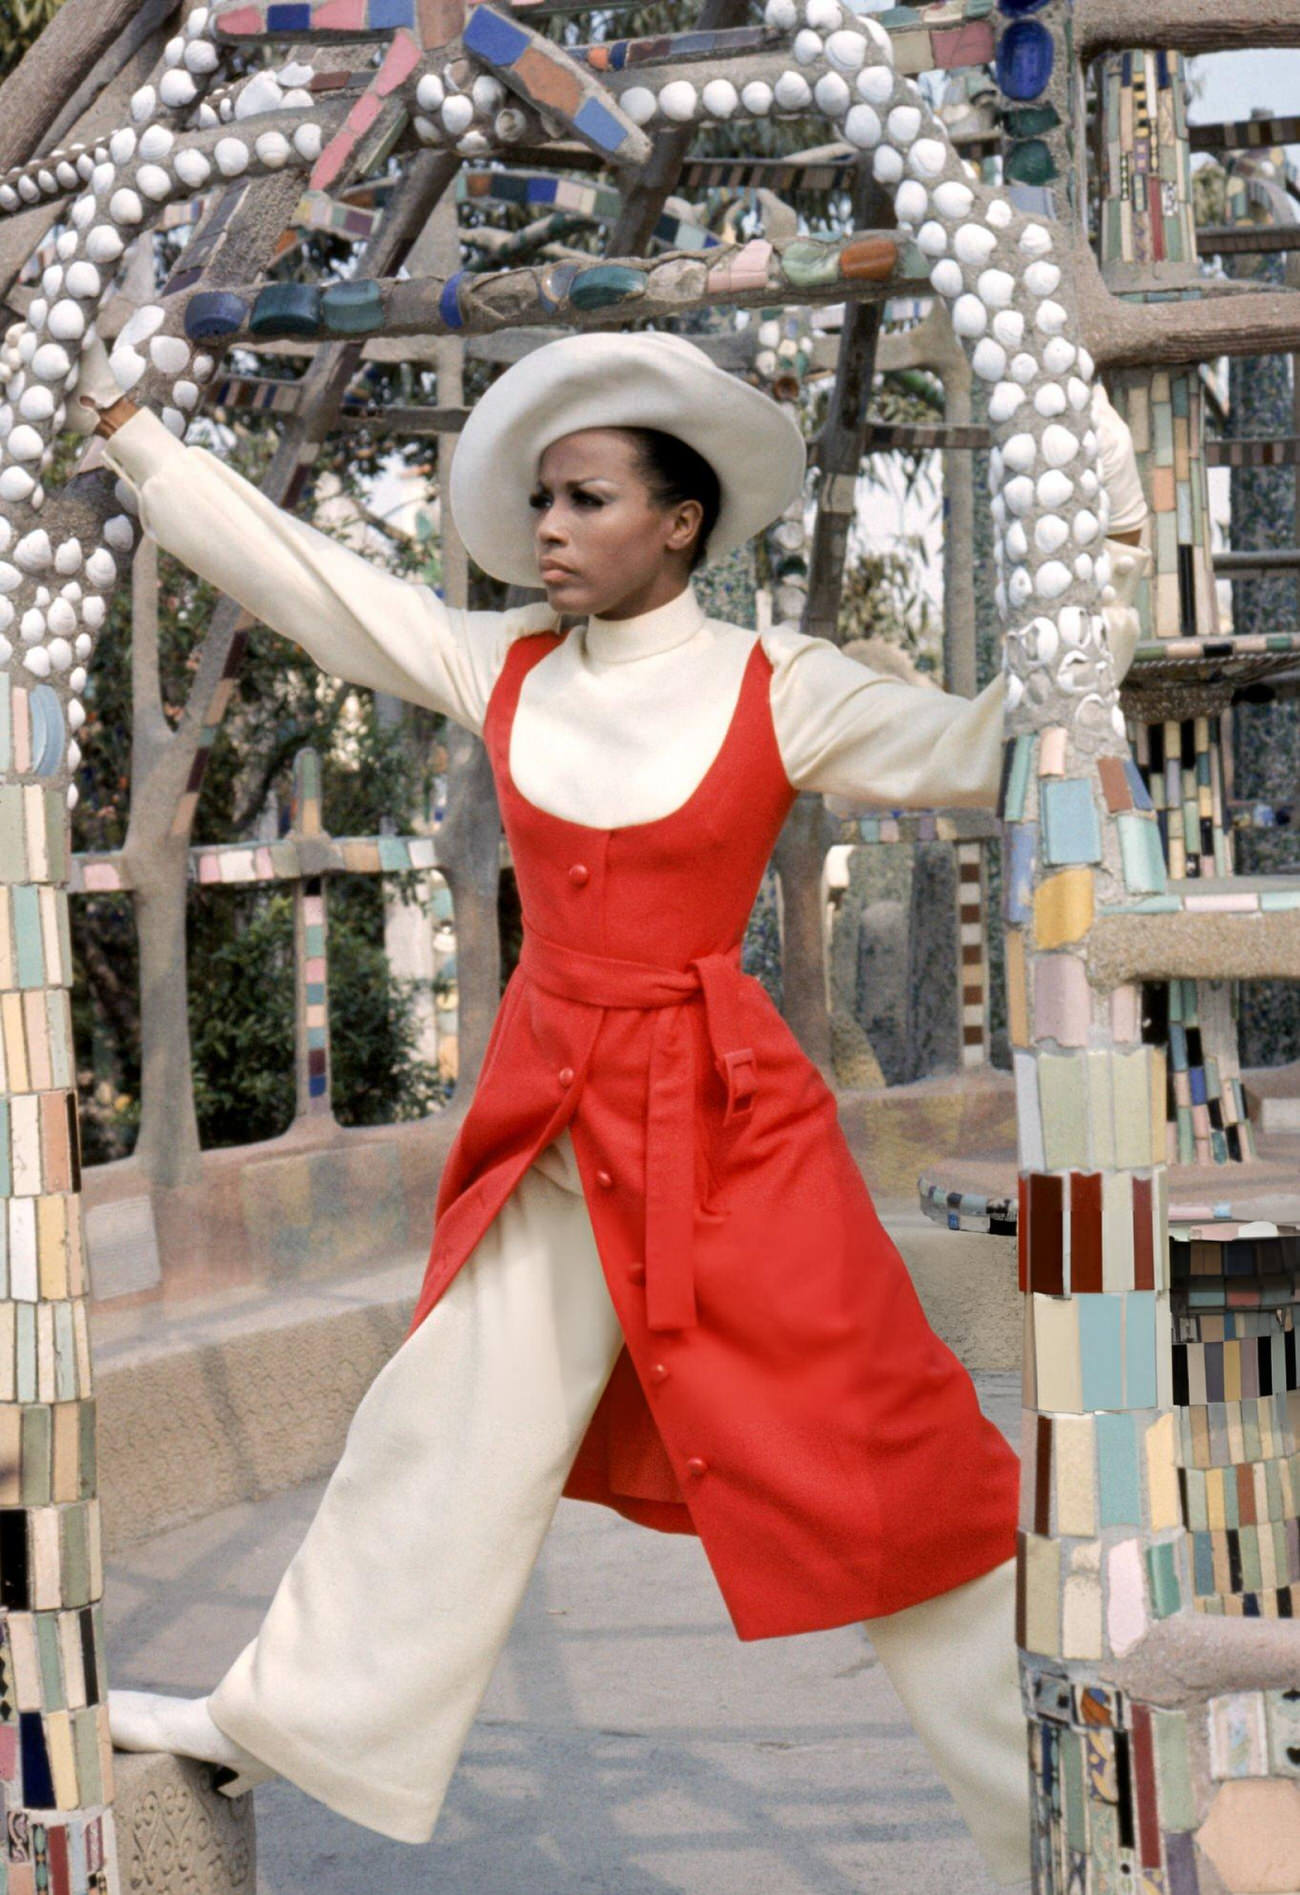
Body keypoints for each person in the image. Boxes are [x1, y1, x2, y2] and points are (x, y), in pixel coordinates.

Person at [73, 327, 1149, 1883]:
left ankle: (1065, 1835)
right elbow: (314, 585)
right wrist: (134, 436)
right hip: (554, 1135)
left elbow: (1002, 739)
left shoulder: (784, 684)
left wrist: (1103, 545)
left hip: (731, 1139)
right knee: (432, 1435)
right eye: (543, 506)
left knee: (898, 1469)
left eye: (585, 501)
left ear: (682, 521)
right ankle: (271, 1715)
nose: (551, 532)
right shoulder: (497, 664)